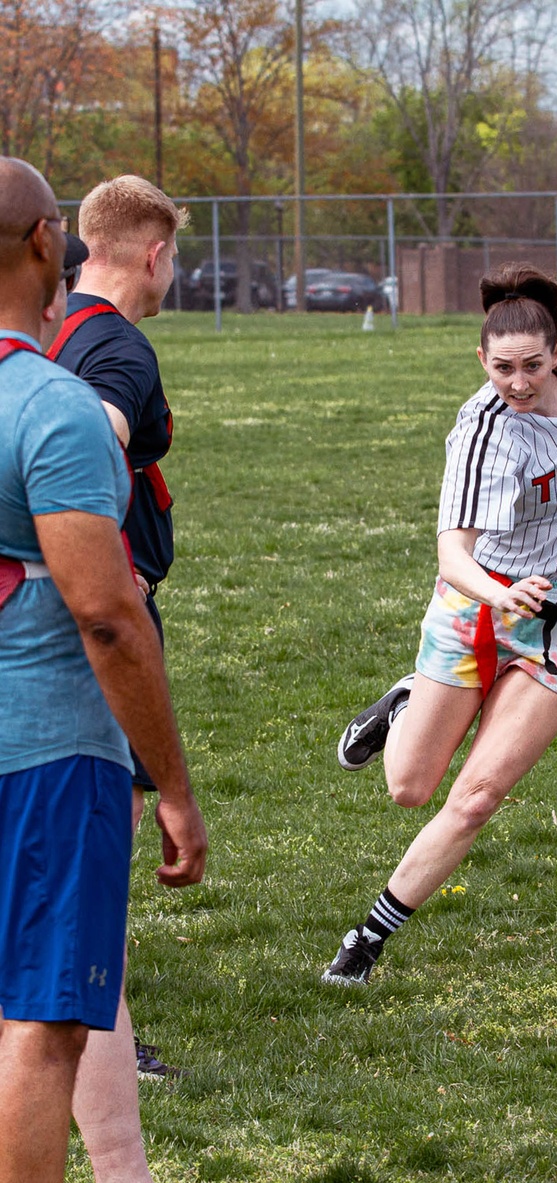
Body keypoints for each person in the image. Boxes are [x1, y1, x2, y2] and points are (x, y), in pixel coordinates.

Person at [321, 262, 557, 984]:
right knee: (409, 786)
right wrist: (497, 596)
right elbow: (452, 553)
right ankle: (406, 700)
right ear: (481, 360)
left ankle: (365, 941)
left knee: (477, 796)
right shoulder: (482, 430)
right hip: (482, 606)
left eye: (533, 364)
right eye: (503, 367)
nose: (520, 382)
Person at [0, 157, 207, 1183]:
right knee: (45, 1015)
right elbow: (107, 614)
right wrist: (172, 784)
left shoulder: (60, 355)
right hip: (46, 740)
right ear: (50, 242)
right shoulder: (68, 391)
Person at [46, 175, 189, 1180]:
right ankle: (105, 1027)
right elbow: (86, 431)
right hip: (94, 615)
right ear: (152, 254)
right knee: (104, 848)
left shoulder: (57, 322)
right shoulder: (113, 345)